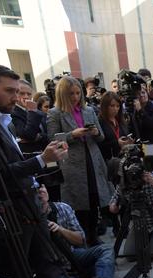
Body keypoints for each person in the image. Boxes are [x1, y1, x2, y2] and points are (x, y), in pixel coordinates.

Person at [0, 63, 87, 278]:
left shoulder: (3, 121)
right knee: (18, 266)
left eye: (17, 91)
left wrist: (36, 181)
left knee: (46, 258)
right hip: (10, 210)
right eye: (9, 91)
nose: (16, 97)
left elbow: (15, 162)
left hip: (29, 200)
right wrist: (41, 161)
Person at [47, 76, 113, 246]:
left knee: (94, 197)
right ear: (62, 94)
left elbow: (102, 137)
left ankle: (92, 234)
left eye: (78, 93)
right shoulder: (55, 113)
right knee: (78, 201)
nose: (76, 97)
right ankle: (81, 236)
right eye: (71, 94)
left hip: (93, 159)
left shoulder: (88, 110)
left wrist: (96, 133)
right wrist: (72, 135)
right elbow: (52, 141)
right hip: (72, 164)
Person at [38, 185, 116, 278]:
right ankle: (86, 277)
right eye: (35, 191)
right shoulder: (29, 220)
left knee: (105, 250)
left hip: (73, 254)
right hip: (55, 266)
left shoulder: (62, 208)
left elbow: (80, 240)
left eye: (41, 188)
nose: (40, 193)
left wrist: (60, 230)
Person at [109, 160, 153, 260]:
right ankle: (149, 240)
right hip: (140, 222)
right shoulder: (124, 178)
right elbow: (117, 195)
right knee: (130, 255)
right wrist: (113, 205)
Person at [10, 79, 49, 154]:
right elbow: (28, 135)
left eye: (29, 94)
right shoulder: (13, 113)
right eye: (22, 93)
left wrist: (39, 136)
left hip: (44, 153)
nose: (26, 97)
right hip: (28, 156)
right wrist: (32, 111)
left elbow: (49, 134)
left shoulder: (38, 112)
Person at [97, 91, 132, 162]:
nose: (115, 109)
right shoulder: (99, 122)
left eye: (118, 106)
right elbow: (99, 145)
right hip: (109, 162)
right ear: (105, 106)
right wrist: (116, 143)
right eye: (112, 106)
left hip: (124, 159)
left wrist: (128, 141)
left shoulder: (120, 120)